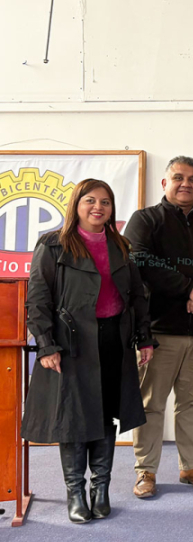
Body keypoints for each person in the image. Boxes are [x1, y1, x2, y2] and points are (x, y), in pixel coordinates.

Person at [22, 178, 155, 523]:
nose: (98, 207)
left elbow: (137, 296)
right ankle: (75, 494)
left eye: (106, 202)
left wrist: (144, 338)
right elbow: (38, 300)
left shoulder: (121, 245)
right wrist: (46, 345)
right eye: (90, 200)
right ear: (76, 205)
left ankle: (101, 490)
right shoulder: (53, 245)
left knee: (107, 413)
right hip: (71, 345)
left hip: (114, 341)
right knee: (74, 418)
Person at [125, 156, 193, 498]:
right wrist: (190, 288)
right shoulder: (145, 220)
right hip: (158, 332)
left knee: (192, 404)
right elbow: (141, 261)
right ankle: (146, 472)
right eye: (178, 177)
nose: (185, 183)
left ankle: (191, 466)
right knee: (150, 405)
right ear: (165, 183)